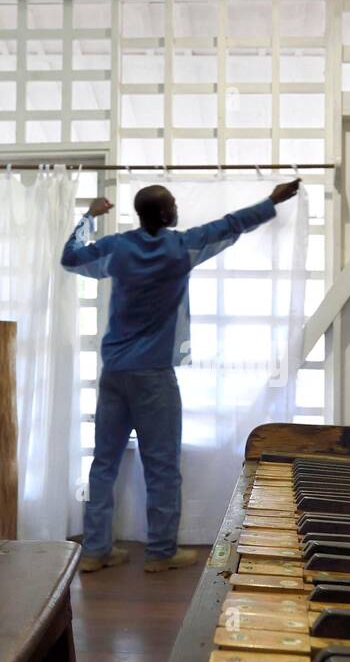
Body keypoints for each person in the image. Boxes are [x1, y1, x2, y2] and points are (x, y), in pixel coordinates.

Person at [62, 179, 301, 573]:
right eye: (172, 203)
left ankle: (95, 550)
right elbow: (230, 225)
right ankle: (159, 552)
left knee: (103, 463)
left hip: (114, 373)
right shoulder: (180, 248)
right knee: (162, 464)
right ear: (162, 213)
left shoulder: (119, 248)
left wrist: (88, 216)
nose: (176, 207)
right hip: (153, 376)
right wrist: (270, 201)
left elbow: (72, 259)